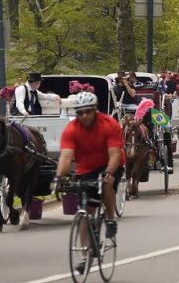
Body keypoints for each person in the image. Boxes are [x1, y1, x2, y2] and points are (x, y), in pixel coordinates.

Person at [56, 92, 124, 273]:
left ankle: (110, 219)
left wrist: (109, 172)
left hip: (110, 163)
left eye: (87, 111)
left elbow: (115, 154)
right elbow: (66, 156)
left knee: (106, 182)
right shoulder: (71, 129)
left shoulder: (109, 124)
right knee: (86, 210)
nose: (84, 116)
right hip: (85, 168)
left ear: (95, 110)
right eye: (80, 113)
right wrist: (59, 177)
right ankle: (85, 256)